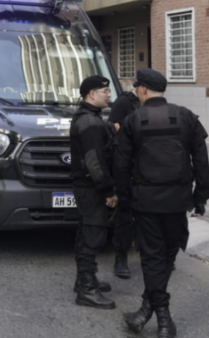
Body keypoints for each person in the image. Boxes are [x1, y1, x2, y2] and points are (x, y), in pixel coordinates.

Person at [114, 68, 209, 338]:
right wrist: (201, 197)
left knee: (153, 257)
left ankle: (162, 317)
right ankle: (147, 310)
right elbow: (201, 161)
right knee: (167, 254)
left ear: (143, 89)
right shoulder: (186, 116)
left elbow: (120, 165)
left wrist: (124, 200)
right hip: (178, 201)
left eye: (136, 88)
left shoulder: (133, 119)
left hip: (146, 202)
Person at [69, 75, 119, 309]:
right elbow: (94, 162)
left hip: (87, 186)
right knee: (93, 235)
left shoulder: (91, 118)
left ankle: (84, 280)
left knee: (86, 232)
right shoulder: (89, 122)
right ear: (92, 94)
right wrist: (108, 191)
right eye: (105, 91)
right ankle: (87, 290)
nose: (109, 94)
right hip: (92, 188)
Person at [107, 84, 140, 280]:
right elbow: (115, 126)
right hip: (126, 163)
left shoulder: (149, 104)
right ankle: (121, 258)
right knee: (125, 214)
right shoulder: (123, 102)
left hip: (145, 166)